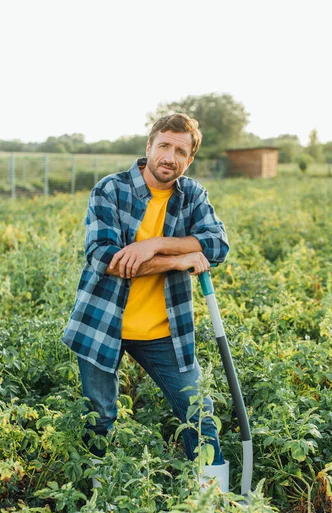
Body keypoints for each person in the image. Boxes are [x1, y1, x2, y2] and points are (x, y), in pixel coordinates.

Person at [62, 113, 230, 485]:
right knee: (99, 418)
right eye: (165, 146)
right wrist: (181, 259)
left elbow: (217, 245)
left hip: (164, 329)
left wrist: (153, 245)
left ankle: (217, 503)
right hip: (103, 324)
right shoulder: (111, 189)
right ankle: (94, 498)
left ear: (189, 159)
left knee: (198, 414)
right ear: (149, 146)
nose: (170, 156)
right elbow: (104, 258)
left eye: (181, 151)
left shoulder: (192, 195)